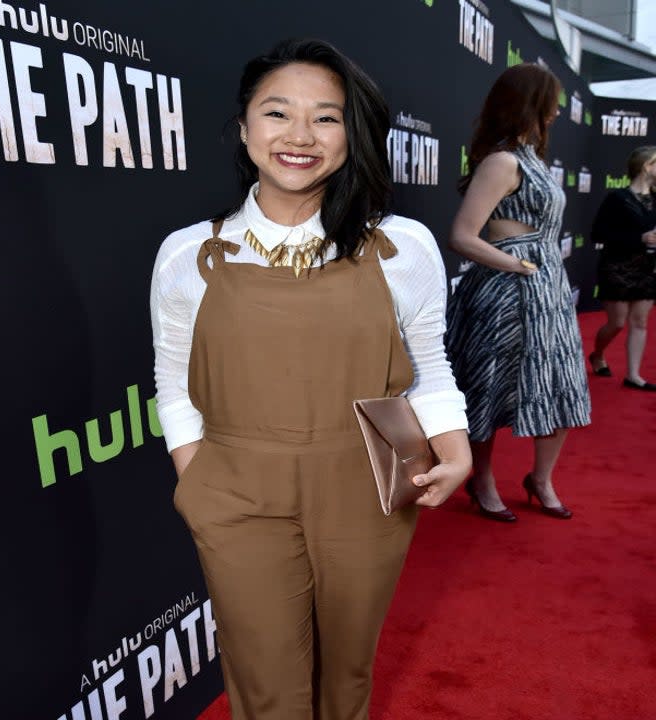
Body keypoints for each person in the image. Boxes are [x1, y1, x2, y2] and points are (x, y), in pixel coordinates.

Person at [149, 38, 471, 720]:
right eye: (277, 113)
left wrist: (455, 443)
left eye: (326, 117)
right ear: (244, 128)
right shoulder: (188, 253)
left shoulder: (401, 246)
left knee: (347, 673)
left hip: (367, 484)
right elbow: (173, 379)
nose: (300, 135)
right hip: (235, 490)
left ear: (350, 135)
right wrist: (197, 477)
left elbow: (430, 365)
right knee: (266, 682)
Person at [445, 63, 590, 523]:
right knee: (488, 388)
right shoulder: (503, 161)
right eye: (552, 104)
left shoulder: (533, 160)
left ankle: (541, 479)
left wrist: (538, 270)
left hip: (547, 292)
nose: (557, 114)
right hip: (506, 292)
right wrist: (515, 263)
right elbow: (464, 236)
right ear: (531, 103)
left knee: (563, 386)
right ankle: (482, 480)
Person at [589, 146, 656, 391]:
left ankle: (634, 376)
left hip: (646, 269)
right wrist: (639, 238)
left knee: (640, 322)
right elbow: (597, 233)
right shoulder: (617, 198)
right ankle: (597, 354)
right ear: (647, 166)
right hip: (617, 267)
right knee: (617, 323)